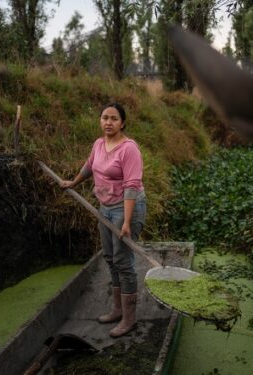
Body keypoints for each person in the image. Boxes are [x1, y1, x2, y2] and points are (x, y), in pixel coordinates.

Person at [61, 103, 146, 337]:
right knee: (110, 258)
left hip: (126, 208)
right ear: (100, 121)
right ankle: (117, 310)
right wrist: (74, 182)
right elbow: (90, 166)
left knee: (123, 260)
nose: (108, 122)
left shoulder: (129, 149)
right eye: (105, 118)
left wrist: (127, 222)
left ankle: (129, 319)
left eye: (114, 119)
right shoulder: (99, 144)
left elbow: (131, 187)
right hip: (105, 208)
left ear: (123, 123)